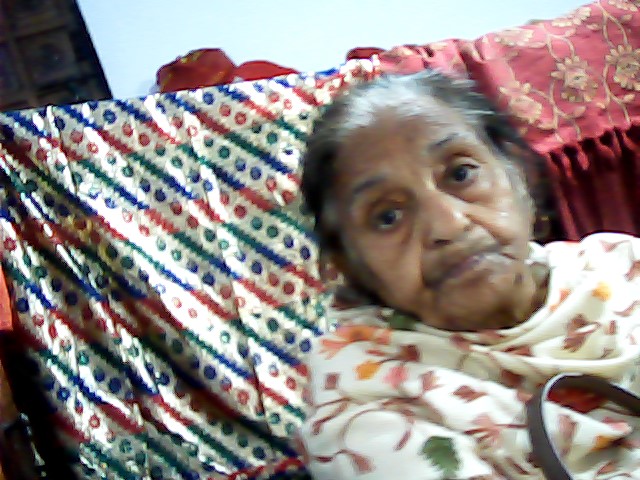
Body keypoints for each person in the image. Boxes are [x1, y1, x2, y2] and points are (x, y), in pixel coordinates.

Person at [296, 70, 640, 479]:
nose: (449, 224)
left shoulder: (621, 265)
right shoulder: (365, 413)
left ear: (519, 177)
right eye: (388, 216)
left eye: (461, 174)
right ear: (349, 266)